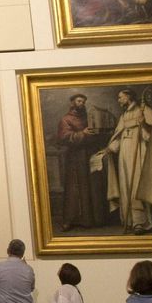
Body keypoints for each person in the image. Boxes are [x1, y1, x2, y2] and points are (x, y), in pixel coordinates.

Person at [99, 88, 152, 234]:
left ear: (129, 96)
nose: (119, 100)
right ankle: (129, 220)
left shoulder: (143, 110)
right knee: (126, 184)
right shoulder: (124, 115)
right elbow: (119, 135)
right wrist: (110, 149)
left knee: (137, 183)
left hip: (140, 152)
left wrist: (144, 124)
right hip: (125, 154)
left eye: (120, 97)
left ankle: (141, 222)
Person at [55, 94, 103, 230]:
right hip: (74, 159)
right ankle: (70, 220)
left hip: (88, 156)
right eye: (79, 101)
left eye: (83, 101)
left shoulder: (87, 118)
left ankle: (89, 220)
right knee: (74, 189)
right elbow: (64, 138)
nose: (82, 103)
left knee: (90, 186)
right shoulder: (65, 119)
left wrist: (95, 133)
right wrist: (84, 133)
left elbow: (93, 134)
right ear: (72, 102)